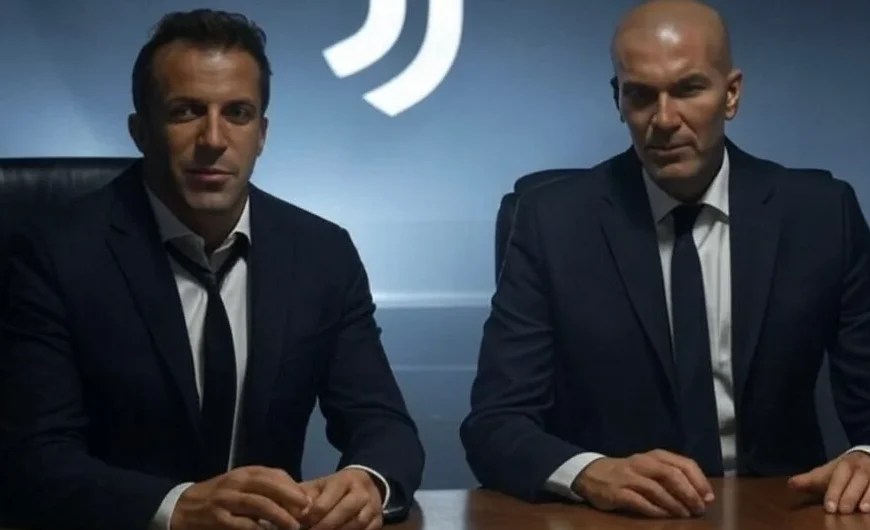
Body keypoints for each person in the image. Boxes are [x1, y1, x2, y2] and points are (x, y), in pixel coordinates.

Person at [0, 9, 423, 530]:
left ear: (261, 133)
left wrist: (367, 479)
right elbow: (34, 459)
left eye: (238, 113)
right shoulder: (55, 254)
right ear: (140, 130)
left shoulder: (321, 253)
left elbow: (384, 426)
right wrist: (174, 507)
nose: (214, 139)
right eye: (186, 111)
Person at [461, 0, 870, 519]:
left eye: (688, 89)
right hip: (617, 519)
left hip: (781, 509)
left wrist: (866, 455)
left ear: (731, 94)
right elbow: (494, 426)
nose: (664, 120)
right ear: (617, 99)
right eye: (640, 95)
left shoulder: (821, 215)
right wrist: (589, 472)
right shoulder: (552, 223)